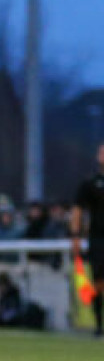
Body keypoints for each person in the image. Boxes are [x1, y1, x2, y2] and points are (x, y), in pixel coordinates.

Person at [70, 143, 104, 337]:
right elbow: (77, 210)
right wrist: (75, 235)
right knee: (98, 281)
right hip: (98, 238)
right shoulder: (90, 183)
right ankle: (99, 324)